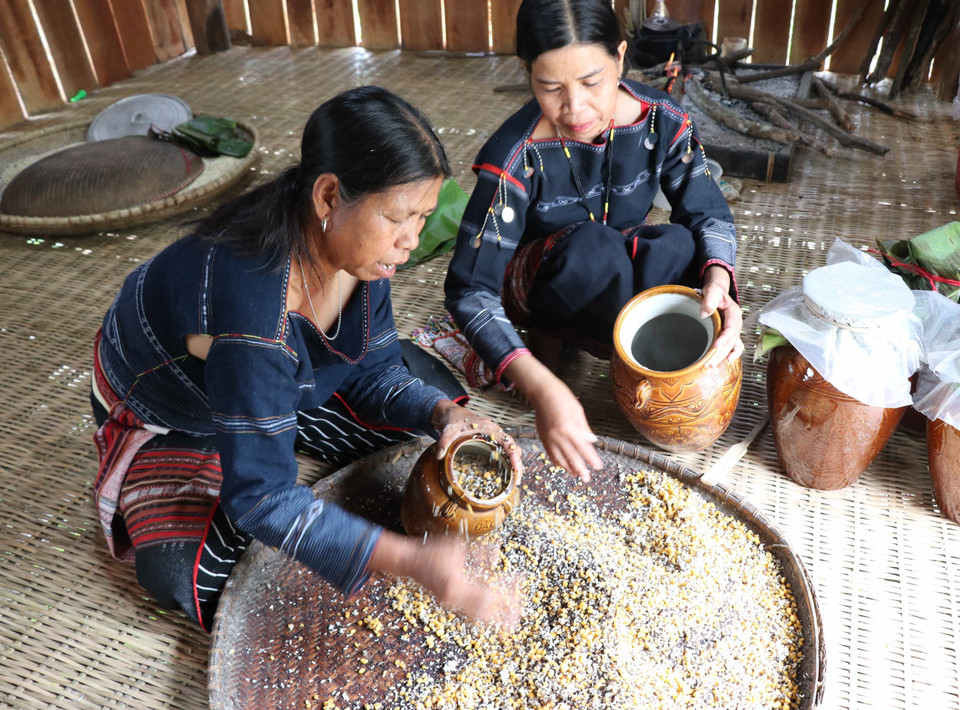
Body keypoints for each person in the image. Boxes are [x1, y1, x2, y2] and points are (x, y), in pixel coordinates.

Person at [90, 86, 523, 631]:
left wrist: (445, 415)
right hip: (177, 410)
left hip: (266, 375)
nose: (411, 240)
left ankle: (278, 419)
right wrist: (411, 561)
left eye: (423, 217)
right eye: (398, 217)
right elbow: (262, 500)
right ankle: (241, 437)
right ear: (328, 197)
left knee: (429, 401)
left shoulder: (361, 254)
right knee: (197, 570)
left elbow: (375, 367)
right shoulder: (251, 317)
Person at [444, 0, 743, 482]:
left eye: (591, 82)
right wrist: (536, 382)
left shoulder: (661, 119)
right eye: (551, 88)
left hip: (616, 258)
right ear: (527, 72)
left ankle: (649, 364)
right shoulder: (515, 154)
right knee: (593, 248)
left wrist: (719, 283)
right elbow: (470, 290)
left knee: (680, 246)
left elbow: (708, 211)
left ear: (620, 58)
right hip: (549, 277)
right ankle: (574, 345)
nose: (575, 108)